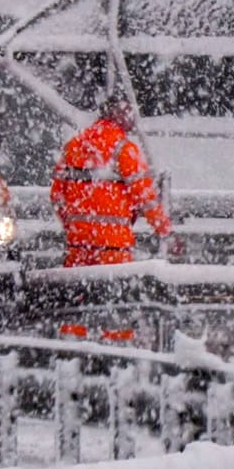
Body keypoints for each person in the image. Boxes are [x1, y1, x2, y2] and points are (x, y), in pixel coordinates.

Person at [50, 95, 172, 340]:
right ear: (115, 114)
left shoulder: (74, 146)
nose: (131, 120)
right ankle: (115, 354)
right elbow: (146, 198)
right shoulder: (124, 150)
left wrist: (74, 226)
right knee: (116, 303)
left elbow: (57, 196)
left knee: (76, 300)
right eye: (127, 113)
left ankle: (72, 349)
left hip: (78, 245)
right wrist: (165, 231)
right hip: (113, 246)